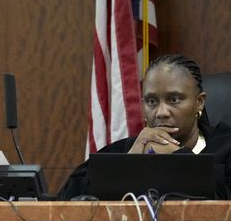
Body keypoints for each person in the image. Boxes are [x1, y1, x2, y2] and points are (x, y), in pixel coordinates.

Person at [58, 54, 231, 200]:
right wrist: (128, 163)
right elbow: (67, 199)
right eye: (151, 102)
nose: (161, 112)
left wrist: (177, 157)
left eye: (174, 100)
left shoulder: (225, 147)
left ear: (199, 102)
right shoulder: (127, 149)